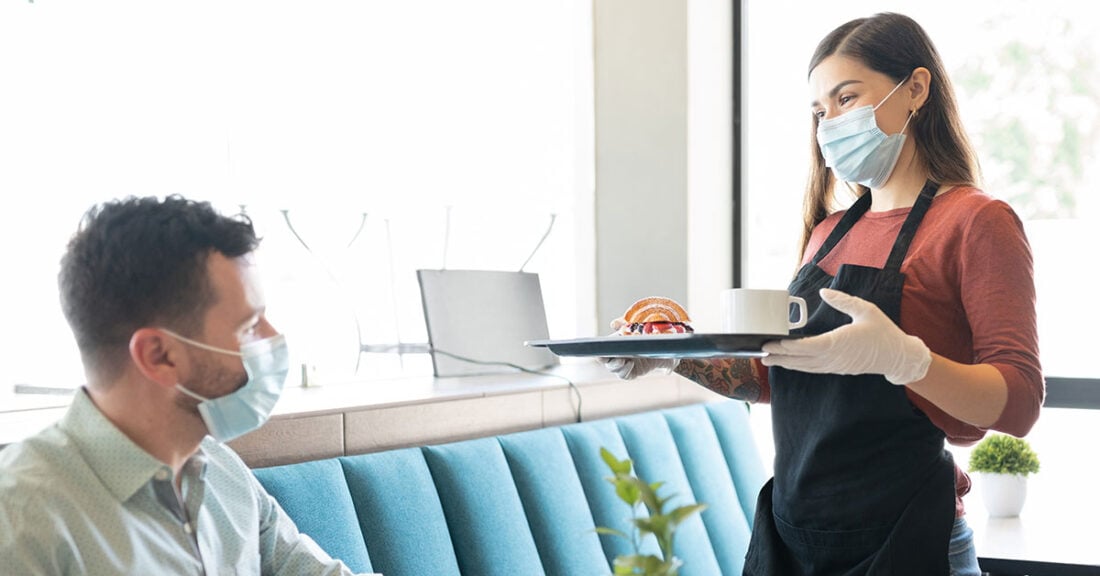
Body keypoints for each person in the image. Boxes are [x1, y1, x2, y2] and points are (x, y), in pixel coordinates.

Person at [602, 12, 1043, 576]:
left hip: (907, 535)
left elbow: (1021, 401)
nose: (829, 123)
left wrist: (906, 360)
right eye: (819, 111)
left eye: (846, 98)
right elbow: (778, 375)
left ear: (916, 88)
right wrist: (673, 354)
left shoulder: (977, 222)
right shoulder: (827, 232)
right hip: (794, 536)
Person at [0, 196, 373, 575]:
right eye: (248, 327)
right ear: (158, 355)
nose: (273, 338)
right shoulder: (21, 517)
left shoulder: (221, 469)